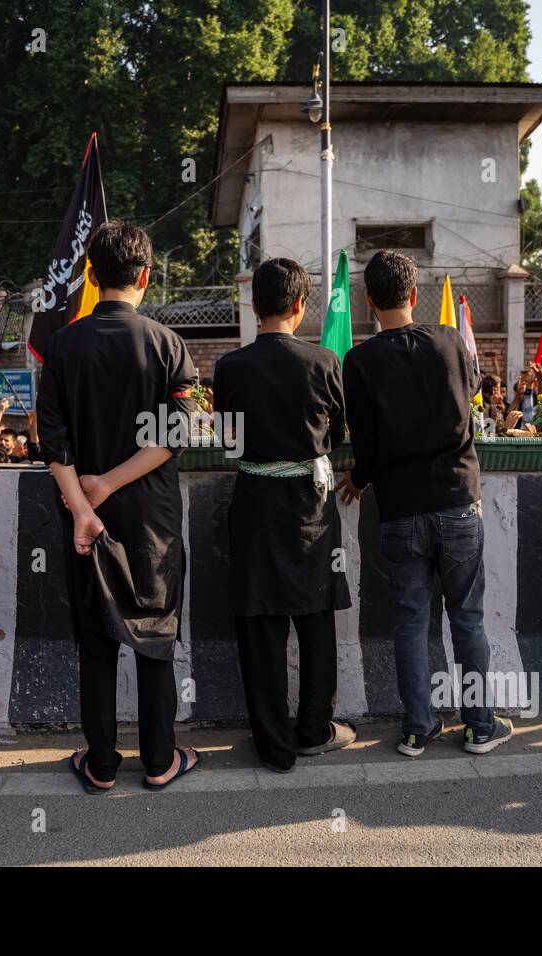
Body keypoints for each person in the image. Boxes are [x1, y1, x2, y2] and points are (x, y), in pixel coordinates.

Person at [36, 222, 201, 793]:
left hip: (85, 518)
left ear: (91, 274)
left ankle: (101, 764)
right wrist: (110, 482)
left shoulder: (60, 345)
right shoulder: (166, 344)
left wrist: (85, 503)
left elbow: (50, 442)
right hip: (151, 517)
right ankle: (160, 761)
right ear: (146, 277)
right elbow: (176, 435)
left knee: (97, 635)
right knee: (154, 630)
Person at [339, 251, 512, 756]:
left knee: (410, 620)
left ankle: (418, 727)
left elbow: (366, 444)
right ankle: (480, 726)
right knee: (468, 619)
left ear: (368, 300)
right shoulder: (451, 341)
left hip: (400, 510)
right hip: (459, 501)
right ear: (414, 295)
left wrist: (360, 477)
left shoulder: (360, 361)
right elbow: (471, 396)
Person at [213, 257, 356, 773]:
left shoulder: (230, 367)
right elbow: (339, 433)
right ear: (301, 305)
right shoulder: (323, 362)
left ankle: (273, 746)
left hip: (254, 504)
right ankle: (314, 731)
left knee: (260, 623)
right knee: (316, 619)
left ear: (253, 307)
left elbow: (229, 440)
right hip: (310, 507)